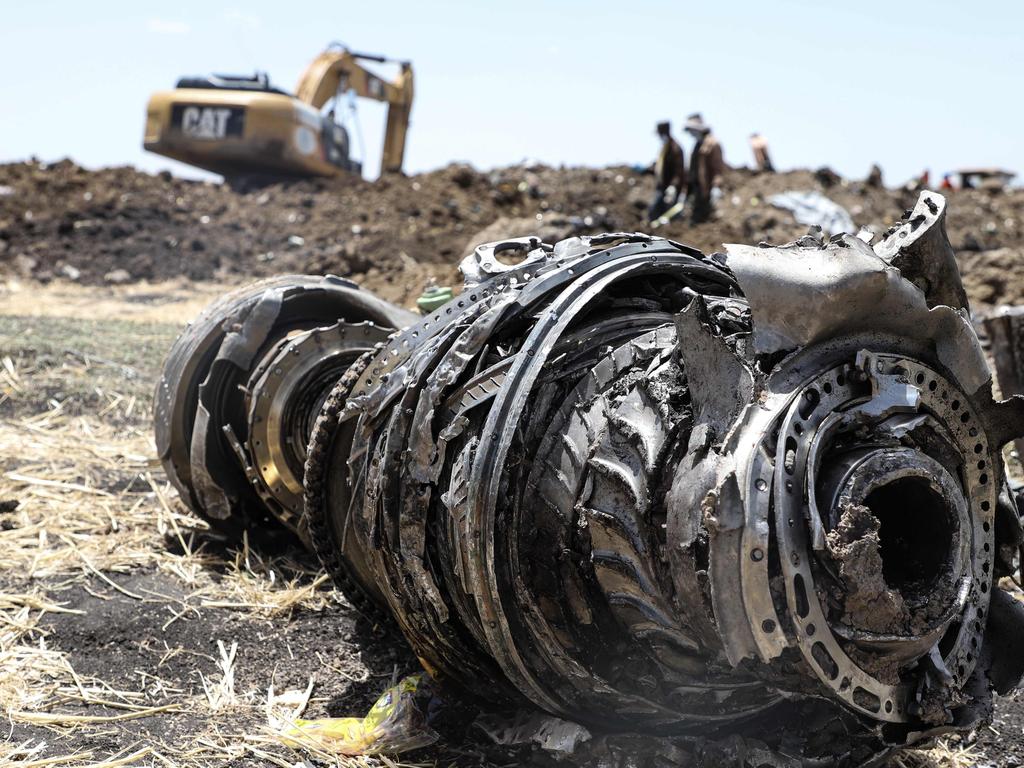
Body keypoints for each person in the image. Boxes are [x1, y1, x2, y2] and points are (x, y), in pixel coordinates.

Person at [684, 114, 725, 224]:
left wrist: (716, 187)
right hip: (697, 188)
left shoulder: (712, 143)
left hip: (707, 188)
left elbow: (717, 168)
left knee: (706, 218)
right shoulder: (697, 145)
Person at [648, 121, 685, 222]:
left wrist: (673, 186)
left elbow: (679, 171)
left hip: (669, 189)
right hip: (661, 187)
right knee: (655, 212)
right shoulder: (665, 147)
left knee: (667, 213)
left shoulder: (675, 148)